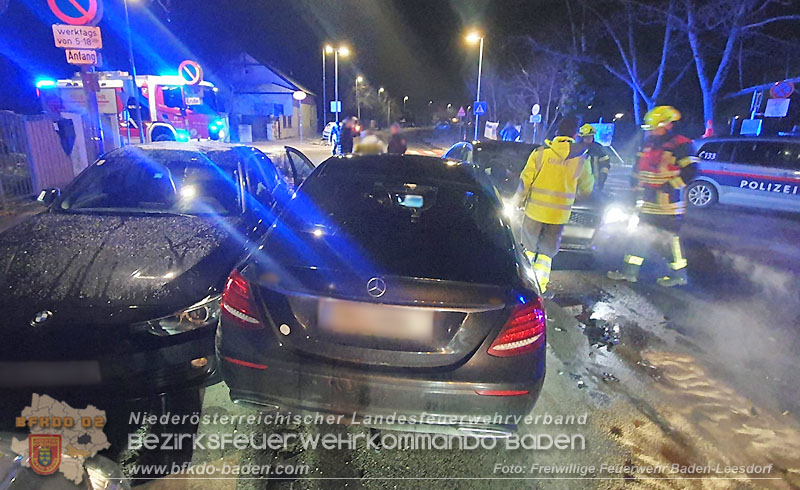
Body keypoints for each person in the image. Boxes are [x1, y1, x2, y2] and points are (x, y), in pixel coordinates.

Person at [607, 106, 698, 287]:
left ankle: (679, 275)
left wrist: (668, 187)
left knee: (669, 240)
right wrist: (633, 190)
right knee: (639, 235)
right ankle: (629, 272)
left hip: (668, 205)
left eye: (654, 128)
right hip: (647, 203)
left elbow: (691, 171)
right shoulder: (649, 144)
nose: (651, 132)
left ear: (666, 125)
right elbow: (638, 169)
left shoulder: (682, 144)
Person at [513, 115, 593, 297]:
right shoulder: (582, 158)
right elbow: (587, 189)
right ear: (575, 133)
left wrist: (518, 202)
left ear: (557, 132)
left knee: (528, 248)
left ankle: (524, 283)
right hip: (559, 216)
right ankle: (540, 287)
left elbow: (524, 183)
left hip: (534, 212)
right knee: (546, 253)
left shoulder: (541, 153)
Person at [578, 124, 611, 190]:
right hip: (578, 183)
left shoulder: (598, 148)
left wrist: (602, 178)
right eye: (586, 137)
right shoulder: (577, 148)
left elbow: (605, 165)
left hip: (595, 183)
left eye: (590, 136)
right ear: (582, 137)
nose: (589, 139)